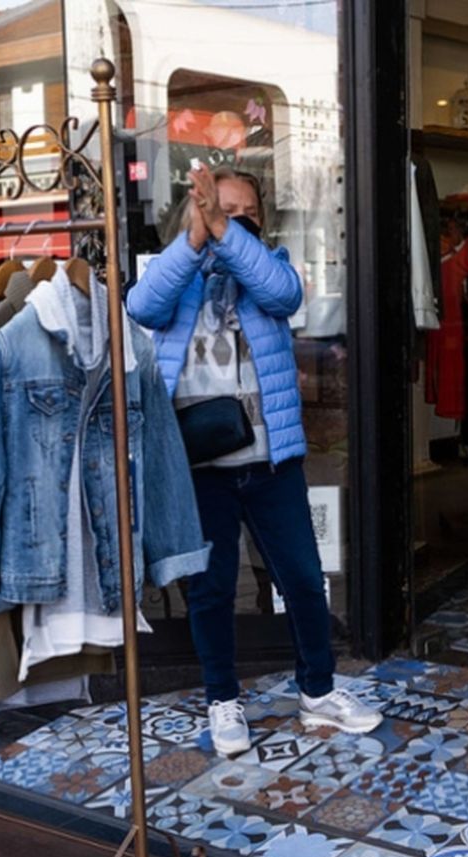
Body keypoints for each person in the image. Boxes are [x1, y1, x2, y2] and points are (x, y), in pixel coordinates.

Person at [127, 163, 382, 756]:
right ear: (191, 213)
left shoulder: (272, 266)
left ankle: (318, 689)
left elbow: (283, 294)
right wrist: (197, 237)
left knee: (301, 578)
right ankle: (222, 698)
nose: (230, 221)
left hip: (271, 459)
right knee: (212, 590)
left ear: (260, 223)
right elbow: (142, 305)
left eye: (245, 214)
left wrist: (226, 232)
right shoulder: (178, 270)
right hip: (199, 463)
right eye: (220, 209)